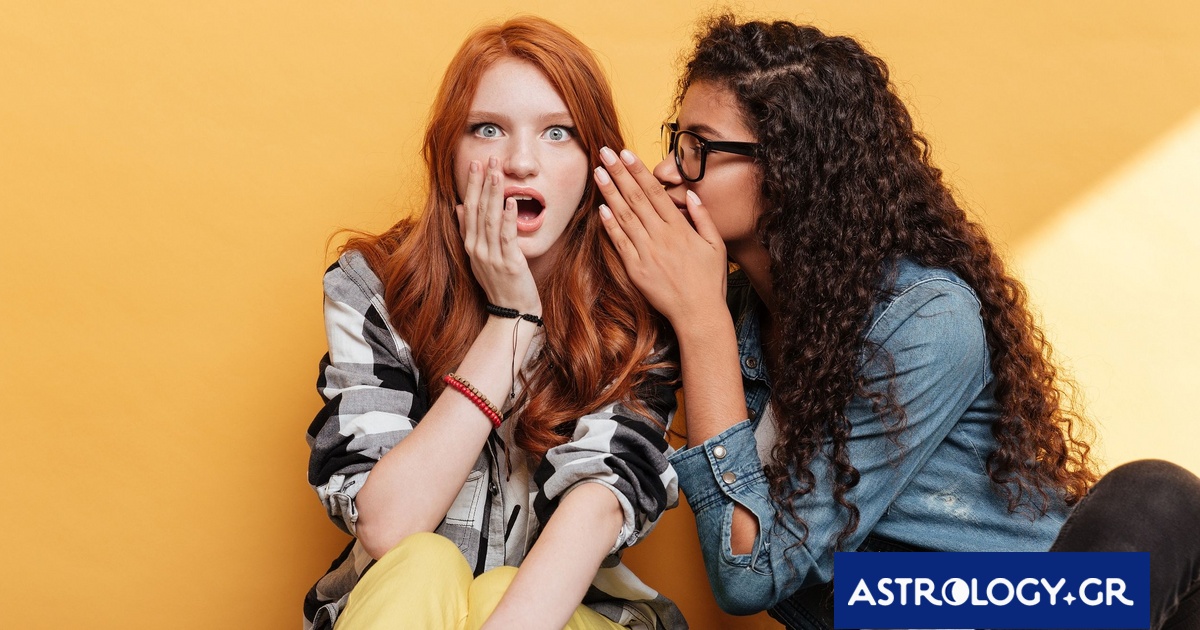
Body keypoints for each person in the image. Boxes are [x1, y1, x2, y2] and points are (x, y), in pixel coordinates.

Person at [591, 14, 1200, 630]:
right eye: (677, 142)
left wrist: (702, 323)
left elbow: (753, 573)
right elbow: (753, 568)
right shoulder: (720, 309)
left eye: (699, 148)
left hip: (1032, 601)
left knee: (1155, 491)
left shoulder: (924, 316)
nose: (667, 171)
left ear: (791, 169)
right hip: (885, 608)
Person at [303, 17, 685, 630]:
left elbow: (598, 505)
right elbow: (387, 525)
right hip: (404, 605)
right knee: (424, 563)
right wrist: (511, 321)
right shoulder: (373, 287)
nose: (520, 162)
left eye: (557, 133)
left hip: (571, 617)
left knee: (503, 589)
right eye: (488, 130)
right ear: (448, 156)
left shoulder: (636, 307)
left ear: (597, 161)